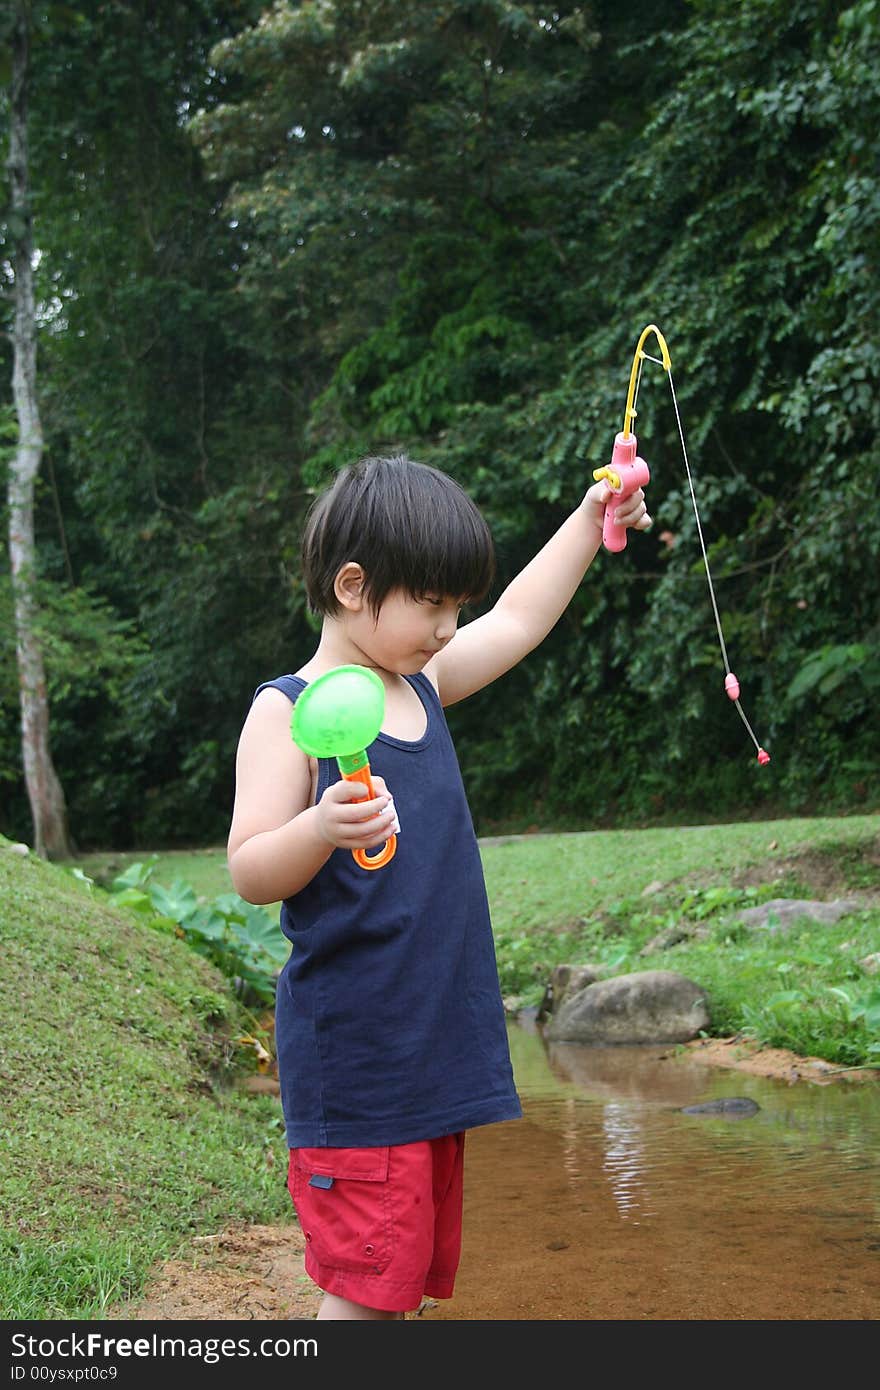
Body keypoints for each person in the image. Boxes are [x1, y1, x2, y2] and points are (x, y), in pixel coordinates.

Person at [227, 452, 650, 1320]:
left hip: (433, 1047)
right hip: (361, 1058)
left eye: (458, 606)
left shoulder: (421, 683)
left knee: (402, 1278)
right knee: (367, 1289)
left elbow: (523, 619)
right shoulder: (287, 710)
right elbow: (247, 869)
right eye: (433, 604)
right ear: (354, 585)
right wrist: (318, 829)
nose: (452, 626)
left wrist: (591, 516)